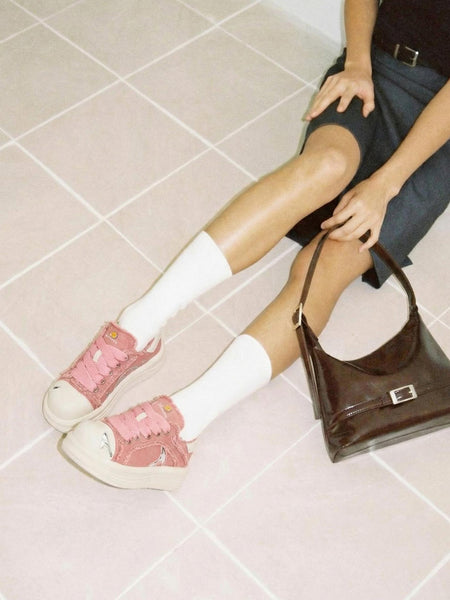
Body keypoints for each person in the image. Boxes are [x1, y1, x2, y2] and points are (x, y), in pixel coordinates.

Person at [43, 0, 450, 490]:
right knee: (323, 168)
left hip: (439, 135)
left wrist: (385, 185)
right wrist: (357, 64)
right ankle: (139, 326)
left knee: (331, 257)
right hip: (372, 70)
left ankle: (182, 426)